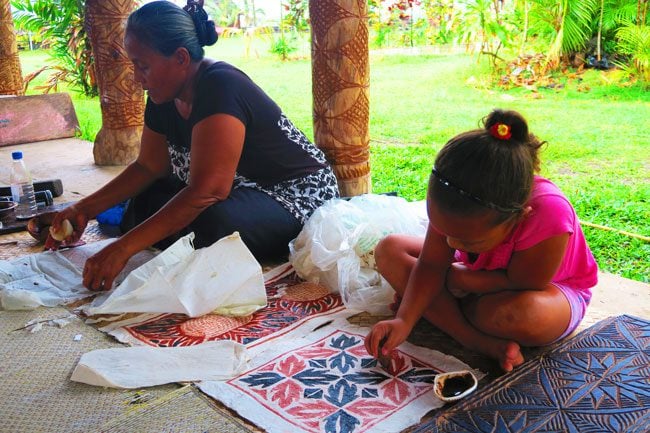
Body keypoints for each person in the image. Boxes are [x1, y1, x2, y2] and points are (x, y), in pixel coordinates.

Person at [46, 0, 339, 291]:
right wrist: (83, 209)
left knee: (213, 223)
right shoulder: (163, 94)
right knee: (144, 203)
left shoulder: (221, 86)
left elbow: (207, 191)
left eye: (143, 66)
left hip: (296, 198)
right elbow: (148, 166)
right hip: (239, 191)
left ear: (181, 58)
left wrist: (122, 249)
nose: (137, 78)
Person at [364, 109, 598, 372]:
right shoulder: (457, 194)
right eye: (445, 232)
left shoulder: (550, 213)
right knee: (390, 250)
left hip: (548, 291)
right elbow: (431, 264)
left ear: (518, 217)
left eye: (468, 241)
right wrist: (405, 320)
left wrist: (455, 279)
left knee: (513, 315)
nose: (451, 243)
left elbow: (523, 282)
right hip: (475, 279)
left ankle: (441, 310)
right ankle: (474, 339)